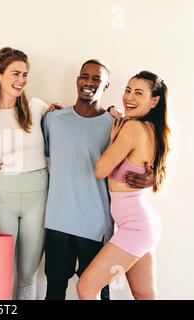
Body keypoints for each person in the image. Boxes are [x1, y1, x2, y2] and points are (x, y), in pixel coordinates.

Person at [42, 60, 155, 300]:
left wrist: (152, 176)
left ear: (106, 86)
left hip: (96, 226)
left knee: (97, 293)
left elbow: (141, 159)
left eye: (97, 79)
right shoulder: (53, 120)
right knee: (54, 292)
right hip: (57, 222)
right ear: (77, 80)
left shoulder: (117, 125)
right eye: (85, 76)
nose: (89, 82)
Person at [77, 71, 169, 300]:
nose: (129, 97)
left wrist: (112, 140)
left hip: (135, 227)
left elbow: (100, 171)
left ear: (154, 101)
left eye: (139, 93)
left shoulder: (133, 129)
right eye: (128, 90)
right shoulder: (151, 129)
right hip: (142, 224)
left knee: (86, 288)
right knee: (144, 295)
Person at [0, 47, 50, 300]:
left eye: (25, 75)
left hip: (38, 197)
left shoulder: (37, 108)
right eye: (15, 73)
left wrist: (111, 112)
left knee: (28, 275)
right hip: (2, 197)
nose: (21, 80)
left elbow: (69, 123)